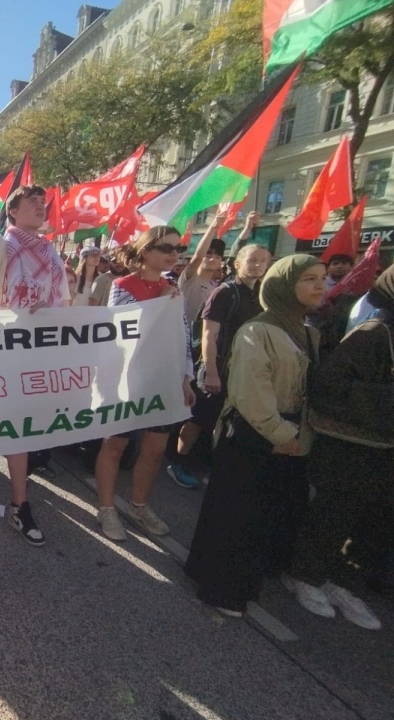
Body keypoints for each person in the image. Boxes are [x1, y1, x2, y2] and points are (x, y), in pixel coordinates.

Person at [185, 255, 326, 617]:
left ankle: (220, 575)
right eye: (308, 278)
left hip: (289, 435)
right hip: (254, 434)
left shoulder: (308, 333)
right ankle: (222, 590)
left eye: (321, 278)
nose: (319, 286)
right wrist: (282, 434)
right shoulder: (257, 331)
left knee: (257, 516)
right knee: (238, 515)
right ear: (283, 285)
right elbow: (251, 391)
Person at [0, 117, 70, 548]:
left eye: (44, 204)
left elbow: (63, 305)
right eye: (33, 203)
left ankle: (21, 506)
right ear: (12, 211)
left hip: (31, 354)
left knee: (20, 433)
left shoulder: (54, 255)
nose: (41, 207)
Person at [284, 265, 394, 631]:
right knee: (334, 513)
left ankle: (338, 579)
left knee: (367, 520)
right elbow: (329, 386)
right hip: (354, 446)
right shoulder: (374, 334)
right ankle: (304, 574)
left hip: (383, 448)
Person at [93, 227, 196, 541]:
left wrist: (186, 377)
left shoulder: (171, 286)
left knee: (154, 450)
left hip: (161, 380)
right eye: (165, 247)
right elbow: (123, 333)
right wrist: (162, 303)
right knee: (116, 445)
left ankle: (139, 505)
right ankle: (107, 509)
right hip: (125, 380)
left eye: (176, 249)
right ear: (144, 250)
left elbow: (183, 336)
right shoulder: (123, 285)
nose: (172, 254)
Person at [166, 240, 271, 488]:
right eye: (252, 260)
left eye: (263, 261)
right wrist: (211, 371)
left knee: (224, 420)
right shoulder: (224, 292)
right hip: (217, 368)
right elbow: (208, 335)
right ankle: (177, 462)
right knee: (197, 418)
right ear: (237, 263)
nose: (257, 265)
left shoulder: (260, 295)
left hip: (242, 370)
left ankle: (213, 466)